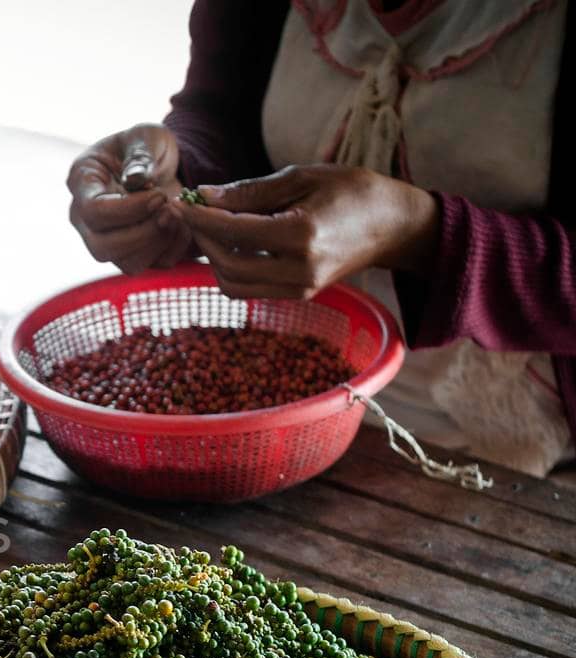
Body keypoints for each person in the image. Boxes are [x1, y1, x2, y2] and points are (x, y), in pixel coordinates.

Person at [66, 0, 576, 478]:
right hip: (282, 403)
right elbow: (221, 108)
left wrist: (416, 231)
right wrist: (180, 172)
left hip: (518, 447)